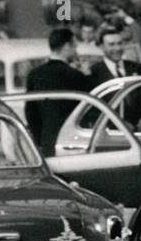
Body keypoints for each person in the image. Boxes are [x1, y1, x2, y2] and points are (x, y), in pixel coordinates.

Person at [24, 27, 93, 156]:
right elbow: (89, 108)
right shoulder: (75, 76)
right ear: (67, 46)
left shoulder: (34, 75)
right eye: (74, 47)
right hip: (72, 141)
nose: (76, 52)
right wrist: (87, 75)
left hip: (47, 139)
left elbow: (31, 112)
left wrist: (39, 139)